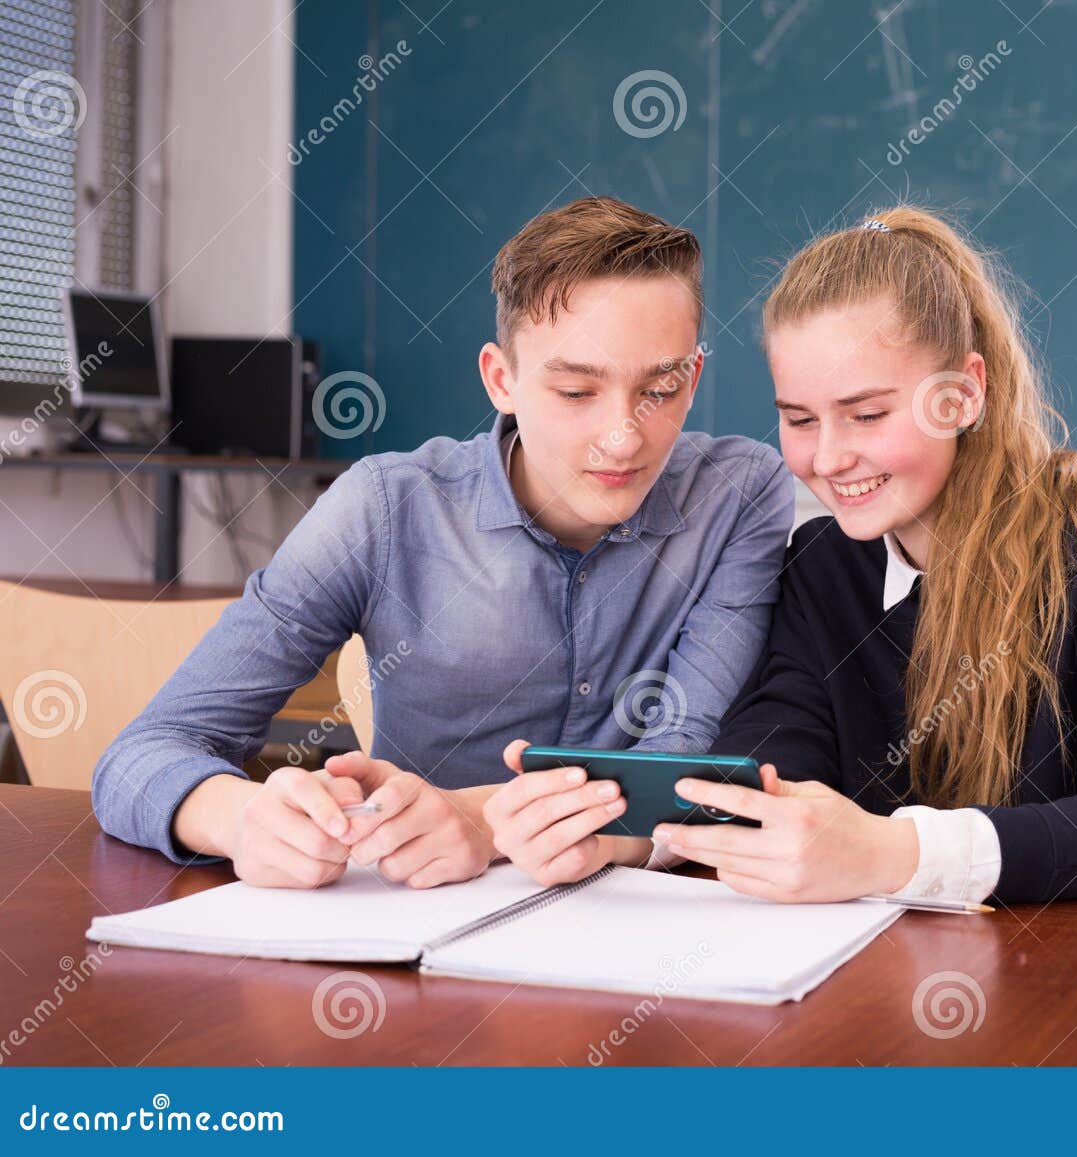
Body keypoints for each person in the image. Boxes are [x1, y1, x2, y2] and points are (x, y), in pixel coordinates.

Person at [92, 196, 792, 889]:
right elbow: (141, 753)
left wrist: (477, 819)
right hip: (413, 930)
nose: (624, 436)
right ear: (501, 380)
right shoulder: (384, 508)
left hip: (641, 935)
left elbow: (677, 760)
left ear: (693, 378)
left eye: (660, 389)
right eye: (577, 392)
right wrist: (241, 817)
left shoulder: (740, 494)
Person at [622, 206, 1077, 907]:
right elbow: (776, 748)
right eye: (798, 419)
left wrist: (898, 852)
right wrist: (640, 832)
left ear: (962, 394)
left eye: (867, 414)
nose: (827, 457)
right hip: (879, 980)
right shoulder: (821, 563)